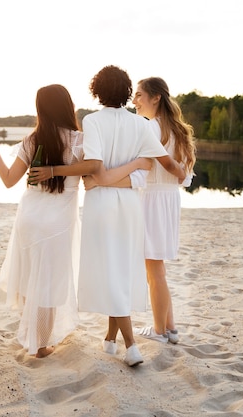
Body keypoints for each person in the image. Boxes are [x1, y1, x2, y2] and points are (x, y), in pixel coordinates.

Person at [30, 66, 186, 366]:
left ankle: (131, 346)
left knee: (111, 270)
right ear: (127, 91)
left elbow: (96, 169)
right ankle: (110, 339)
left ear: (97, 91)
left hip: (101, 203)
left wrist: (89, 178)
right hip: (129, 204)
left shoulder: (94, 121)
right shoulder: (140, 124)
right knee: (122, 268)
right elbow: (158, 165)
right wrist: (174, 171)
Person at [0, 84, 84, 358]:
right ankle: (40, 345)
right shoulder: (80, 141)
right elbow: (94, 177)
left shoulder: (31, 141)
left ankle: (34, 337)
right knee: (49, 283)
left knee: (32, 278)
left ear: (40, 110)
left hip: (30, 217)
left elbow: (8, 181)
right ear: (68, 106)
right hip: (58, 222)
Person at [131, 77, 196, 344]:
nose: (134, 101)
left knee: (154, 269)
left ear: (155, 97)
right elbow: (187, 177)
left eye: (138, 96)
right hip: (168, 199)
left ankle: (159, 331)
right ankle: (171, 328)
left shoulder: (152, 128)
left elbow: (166, 168)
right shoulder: (179, 130)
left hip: (153, 199)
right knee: (157, 268)